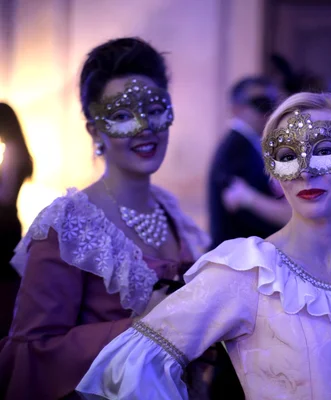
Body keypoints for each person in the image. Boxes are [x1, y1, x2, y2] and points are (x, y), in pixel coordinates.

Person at [77, 92, 331, 399]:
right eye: (287, 156)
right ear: (274, 173)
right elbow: (128, 368)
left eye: (325, 149)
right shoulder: (248, 273)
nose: (306, 169)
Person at [0, 37, 215, 400]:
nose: (143, 127)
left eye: (153, 109)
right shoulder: (69, 225)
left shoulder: (174, 213)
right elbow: (31, 355)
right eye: (121, 116)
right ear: (94, 130)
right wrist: (143, 329)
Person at [208, 76, 282, 248]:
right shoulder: (235, 149)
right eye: (259, 103)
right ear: (236, 108)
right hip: (238, 256)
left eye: (272, 103)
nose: (267, 112)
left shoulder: (249, 145)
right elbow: (242, 213)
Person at [0, 103, 33, 337]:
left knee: (5, 292)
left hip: (3, 229)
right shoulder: (15, 150)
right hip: (8, 226)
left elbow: (5, 196)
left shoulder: (12, 152)